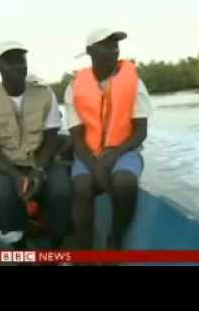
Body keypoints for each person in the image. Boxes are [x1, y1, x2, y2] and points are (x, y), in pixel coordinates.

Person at [0, 41, 73, 249]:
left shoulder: (45, 94)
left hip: (42, 160)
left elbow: (52, 140)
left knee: (61, 190)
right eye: (10, 61)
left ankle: (56, 243)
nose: (18, 65)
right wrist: (16, 176)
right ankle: (20, 246)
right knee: (0, 196)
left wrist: (39, 171)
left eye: (21, 60)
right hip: (5, 166)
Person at [65, 28, 152, 250]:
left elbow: (140, 131)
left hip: (124, 150)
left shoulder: (134, 83)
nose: (114, 50)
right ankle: (86, 249)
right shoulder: (74, 87)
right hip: (87, 153)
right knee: (82, 187)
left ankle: (115, 239)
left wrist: (113, 156)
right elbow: (76, 137)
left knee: (124, 183)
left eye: (116, 45)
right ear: (90, 51)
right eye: (107, 45)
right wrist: (96, 167)